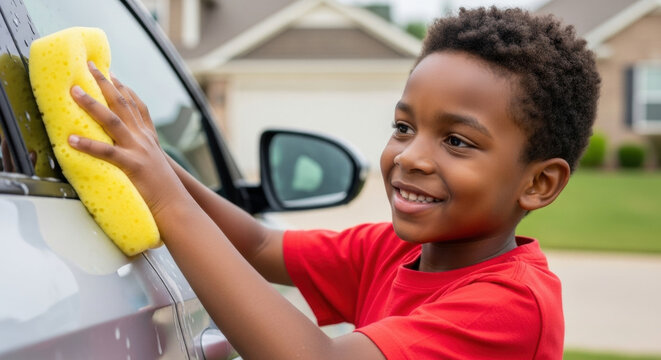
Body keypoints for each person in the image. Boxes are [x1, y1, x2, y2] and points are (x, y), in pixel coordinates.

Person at [66, 6, 600, 359]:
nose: (410, 156)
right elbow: (258, 243)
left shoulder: (509, 306)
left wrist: (165, 199)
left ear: (540, 183)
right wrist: (154, 159)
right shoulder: (390, 250)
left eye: (457, 141)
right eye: (403, 127)